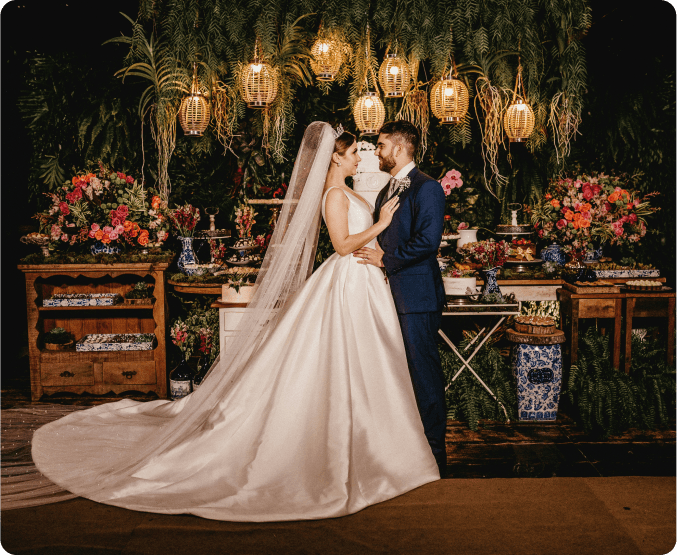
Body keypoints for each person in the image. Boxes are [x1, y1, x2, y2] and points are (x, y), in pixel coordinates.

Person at [31, 122, 440, 523]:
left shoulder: (362, 190)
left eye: (369, 150)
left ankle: (379, 441)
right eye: (354, 153)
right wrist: (383, 224)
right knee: (342, 360)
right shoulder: (333, 195)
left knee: (372, 362)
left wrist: (385, 241)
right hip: (350, 279)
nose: (363, 157)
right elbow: (341, 244)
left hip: (370, 283)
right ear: (336, 156)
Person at [353, 120, 447, 477]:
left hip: (417, 297)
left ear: (399, 146)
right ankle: (409, 453)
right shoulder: (387, 190)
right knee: (398, 377)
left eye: (380, 145)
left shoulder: (428, 188)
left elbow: (428, 242)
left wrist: (384, 260)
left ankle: (435, 457)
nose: (375, 151)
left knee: (424, 376)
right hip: (389, 295)